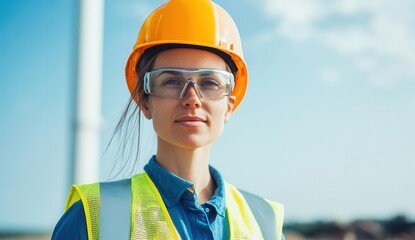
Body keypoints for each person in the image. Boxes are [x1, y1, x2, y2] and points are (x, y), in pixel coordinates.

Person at [53, 0, 285, 239]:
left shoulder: (265, 223)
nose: (192, 99)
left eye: (210, 83)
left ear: (229, 106)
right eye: (171, 81)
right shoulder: (92, 217)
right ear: (144, 101)